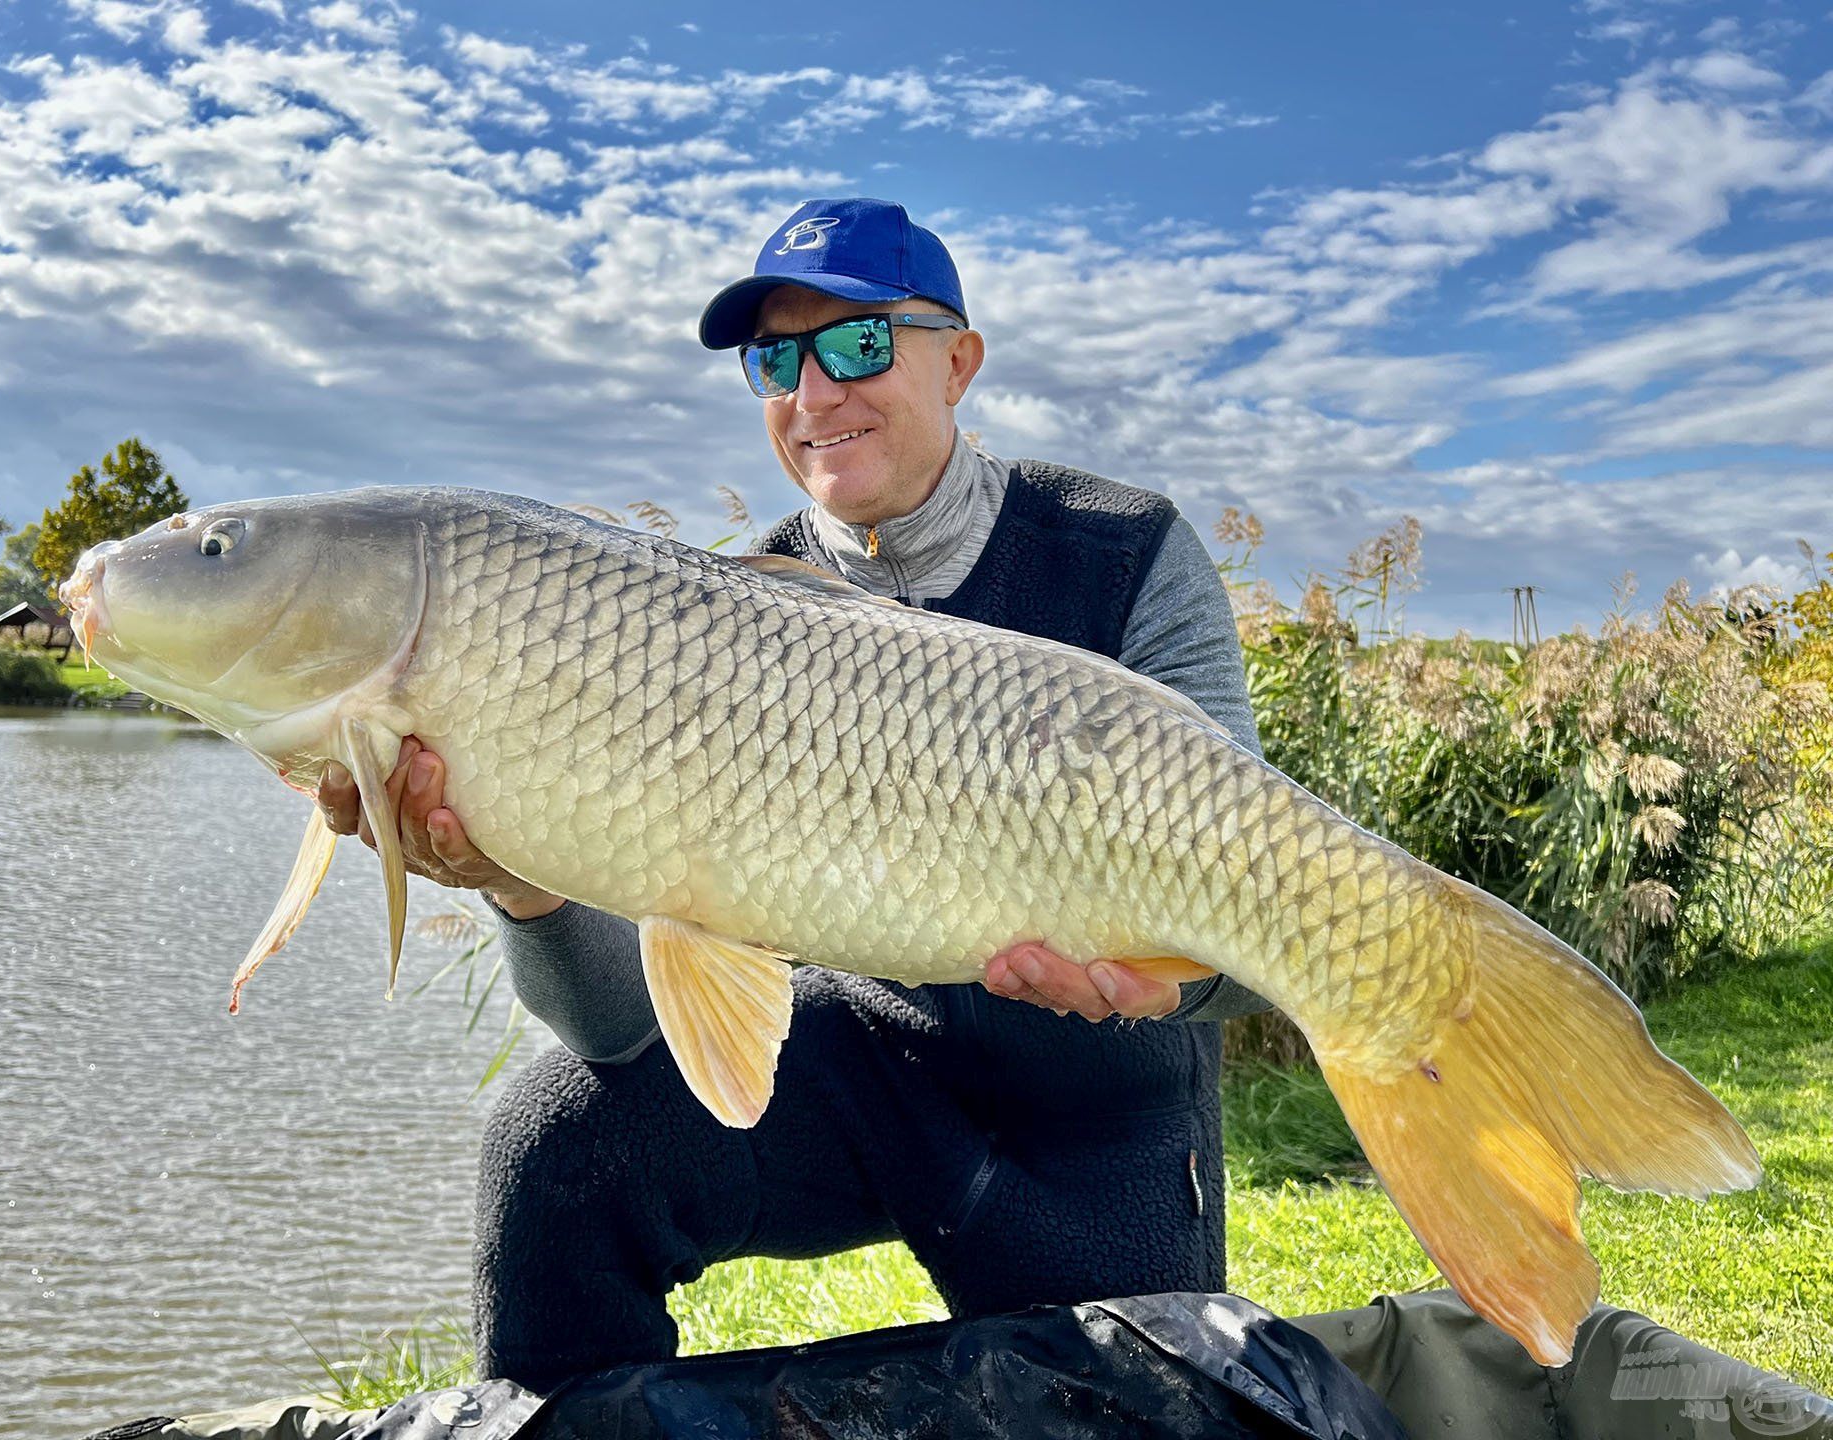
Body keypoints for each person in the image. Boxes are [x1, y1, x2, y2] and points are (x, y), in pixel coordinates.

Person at [315, 197, 1271, 1393]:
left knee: (1149, 1407)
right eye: (777, 358)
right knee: (556, 1138)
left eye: (860, 344)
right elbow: (624, 1024)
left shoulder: (1125, 551)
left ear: (959, 361)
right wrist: (520, 884)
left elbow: (1256, 930)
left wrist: (1153, 981)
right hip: (871, 1067)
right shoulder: (710, 611)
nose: (815, 395)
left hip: (1102, 1110)